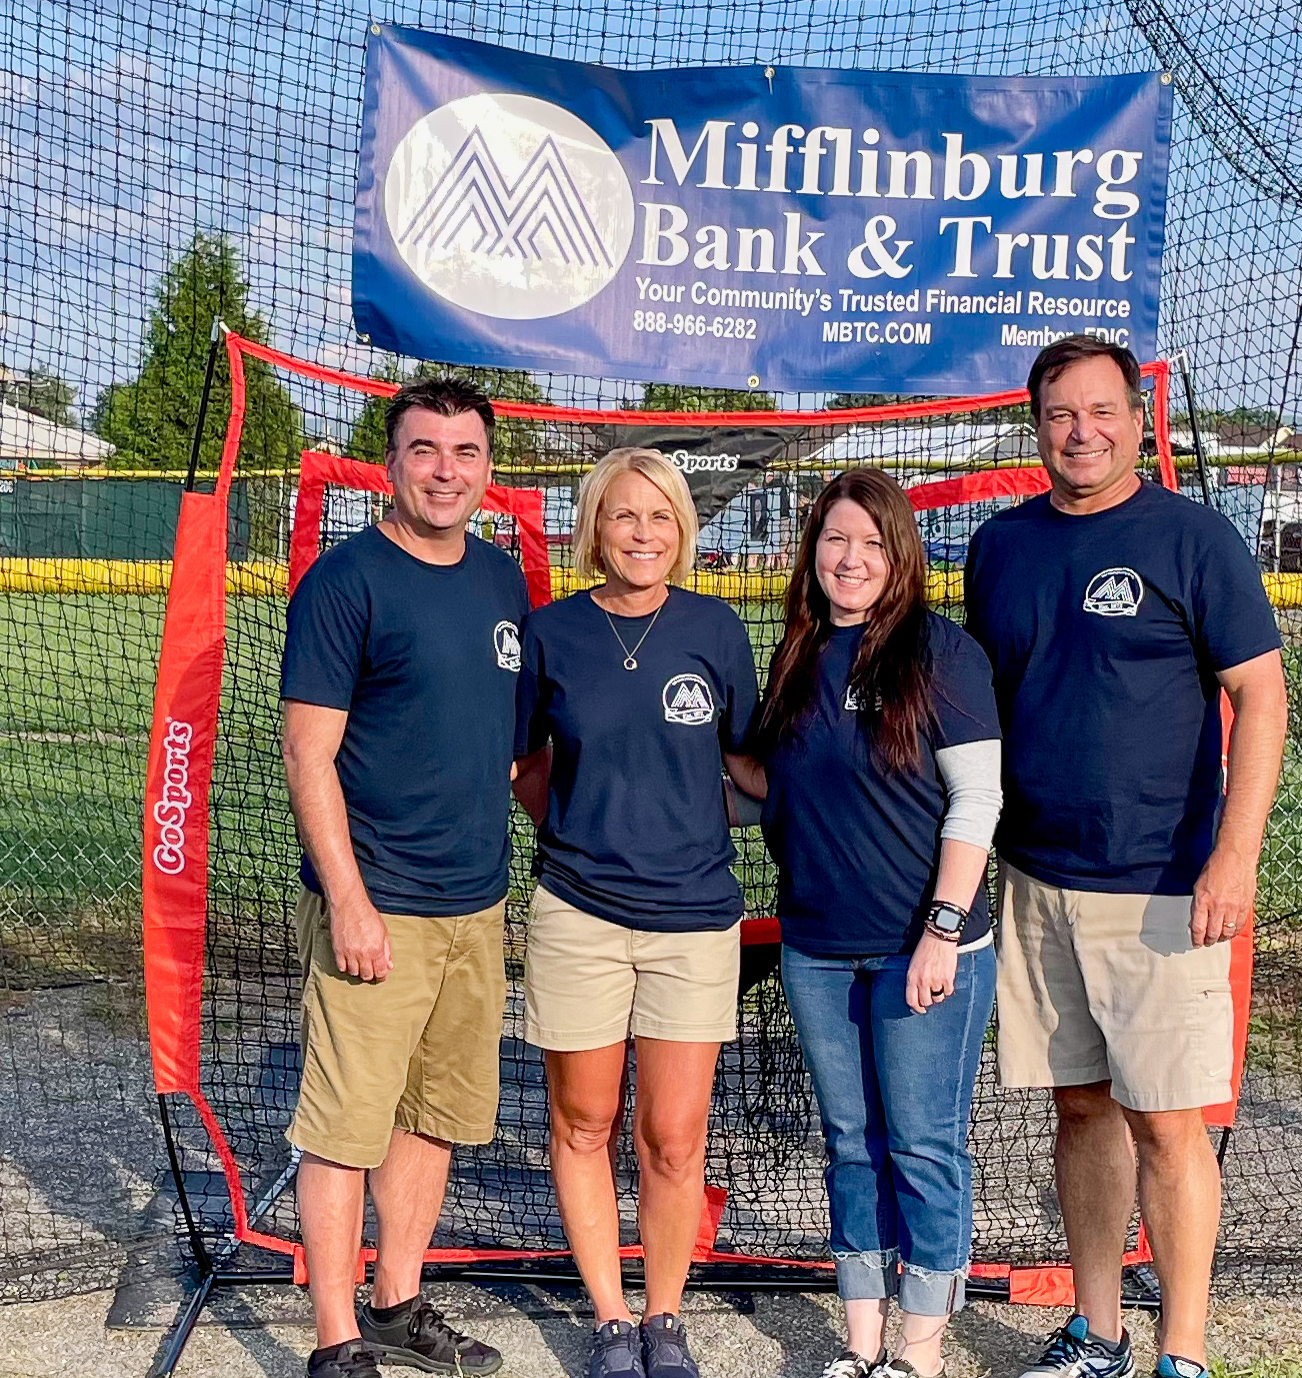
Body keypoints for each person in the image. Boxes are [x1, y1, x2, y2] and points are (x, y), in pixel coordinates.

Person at [964, 337, 1288, 1378]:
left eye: (1101, 410)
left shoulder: (1194, 538)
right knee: (1080, 1109)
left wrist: (1232, 856)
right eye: (1061, 413)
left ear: (1136, 421)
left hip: (1159, 883)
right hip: (1034, 876)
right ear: (1036, 425)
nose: (1081, 431)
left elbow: (1261, 696)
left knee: (1167, 1123)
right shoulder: (998, 546)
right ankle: (1094, 1332)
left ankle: (1179, 1353)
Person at [280, 379, 526, 1378]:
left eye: (464, 453)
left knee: (432, 1116)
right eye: (425, 450)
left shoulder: (502, 579)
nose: (445, 471)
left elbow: (508, 748)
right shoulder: (345, 583)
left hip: (476, 903)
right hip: (378, 904)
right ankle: (337, 1339)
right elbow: (306, 754)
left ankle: (396, 1306)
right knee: (344, 1126)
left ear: (487, 469)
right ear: (388, 463)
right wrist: (347, 899)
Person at [740, 468, 1002, 1378]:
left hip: (922, 949)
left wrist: (942, 929)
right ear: (810, 551)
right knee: (851, 1145)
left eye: (871, 543)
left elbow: (976, 801)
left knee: (923, 1145)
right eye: (834, 540)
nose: (850, 559)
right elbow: (783, 790)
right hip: (816, 948)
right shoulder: (797, 654)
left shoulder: (940, 651)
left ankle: (919, 1352)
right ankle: (860, 1350)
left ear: (900, 555)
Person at [511, 448, 760, 1378]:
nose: (642, 535)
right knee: (583, 1122)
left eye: (660, 518)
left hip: (695, 918)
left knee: (673, 1135)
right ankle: (612, 1322)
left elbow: (748, 768)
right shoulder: (552, 633)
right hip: (577, 914)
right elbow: (526, 765)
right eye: (623, 517)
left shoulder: (716, 630)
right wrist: (582, 833)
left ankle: (664, 1316)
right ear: (594, 530)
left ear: (683, 533)